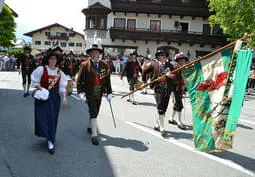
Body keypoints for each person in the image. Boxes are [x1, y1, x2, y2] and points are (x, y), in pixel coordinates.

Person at [31, 52, 67, 154]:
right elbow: (35, 82)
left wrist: (64, 97)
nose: (53, 61)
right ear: (48, 60)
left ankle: (50, 141)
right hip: (43, 96)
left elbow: (62, 87)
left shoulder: (60, 72)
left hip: (54, 97)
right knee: (41, 117)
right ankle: (46, 134)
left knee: (52, 118)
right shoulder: (42, 69)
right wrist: (41, 89)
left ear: (57, 61)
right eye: (51, 59)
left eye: (55, 59)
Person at [77, 44, 112, 146]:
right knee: (93, 112)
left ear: (99, 54)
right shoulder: (84, 65)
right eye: (92, 52)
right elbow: (79, 80)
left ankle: (90, 126)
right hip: (89, 92)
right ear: (90, 54)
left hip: (99, 92)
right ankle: (94, 134)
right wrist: (81, 92)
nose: (94, 54)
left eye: (96, 52)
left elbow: (107, 80)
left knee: (95, 111)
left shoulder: (104, 65)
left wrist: (109, 92)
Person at [142, 50, 177, 135]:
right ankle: (162, 128)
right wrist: (144, 81)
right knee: (160, 108)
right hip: (158, 88)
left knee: (164, 108)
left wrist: (172, 76)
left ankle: (157, 125)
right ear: (158, 57)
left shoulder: (170, 65)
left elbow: (175, 75)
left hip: (167, 89)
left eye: (165, 55)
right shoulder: (154, 64)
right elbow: (144, 70)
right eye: (161, 55)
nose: (164, 57)